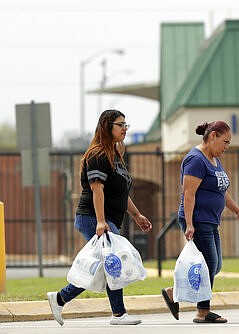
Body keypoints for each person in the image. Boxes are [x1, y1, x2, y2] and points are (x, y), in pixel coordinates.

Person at [47, 109, 153, 326]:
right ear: (107, 126)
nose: (125, 129)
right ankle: (118, 314)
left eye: (126, 125)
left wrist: (136, 215)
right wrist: (101, 221)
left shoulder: (114, 156)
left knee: (105, 267)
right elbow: (97, 190)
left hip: (106, 218)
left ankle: (59, 298)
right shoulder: (97, 155)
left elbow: (121, 194)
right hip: (92, 217)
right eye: (120, 124)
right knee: (113, 263)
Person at [161, 120, 239, 324]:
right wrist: (190, 224)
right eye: (225, 142)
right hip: (198, 220)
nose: (227, 147)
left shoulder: (214, 159)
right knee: (209, 264)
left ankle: (173, 292)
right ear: (213, 136)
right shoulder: (195, 159)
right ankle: (202, 311)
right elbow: (188, 194)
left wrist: (238, 212)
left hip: (210, 221)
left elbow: (221, 190)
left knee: (215, 265)